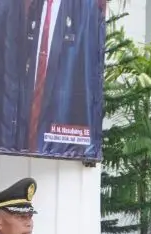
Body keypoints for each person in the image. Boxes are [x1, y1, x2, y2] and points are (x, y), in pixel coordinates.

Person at [17, 0, 104, 157]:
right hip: (23, 142)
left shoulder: (84, 8)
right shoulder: (34, 5)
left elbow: (88, 80)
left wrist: (85, 149)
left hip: (60, 146)